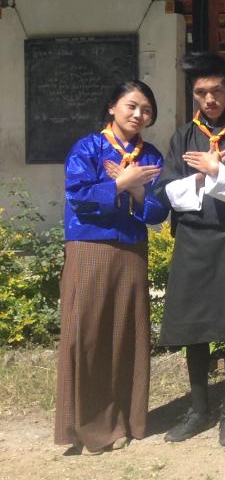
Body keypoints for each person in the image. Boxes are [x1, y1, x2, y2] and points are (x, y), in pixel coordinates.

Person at [156, 52, 225, 447]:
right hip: (193, 240)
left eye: (216, 91)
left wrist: (216, 170)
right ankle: (199, 409)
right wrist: (209, 175)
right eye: (202, 92)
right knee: (196, 328)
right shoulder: (182, 137)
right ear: (194, 94)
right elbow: (169, 192)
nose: (210, 100)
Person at [55, 80, 168, 454]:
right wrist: (120, 183)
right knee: (86, 333)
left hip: (131, 250)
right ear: (112, 108)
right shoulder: (88, 147)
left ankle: (125, 421)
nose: (139, 115)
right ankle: (86, 427)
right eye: (132, 106)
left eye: (146, 110)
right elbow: (79, 198)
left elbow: (156, 212)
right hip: (90, 246)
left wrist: (138, 191)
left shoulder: (150, 154)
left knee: (126, 334)